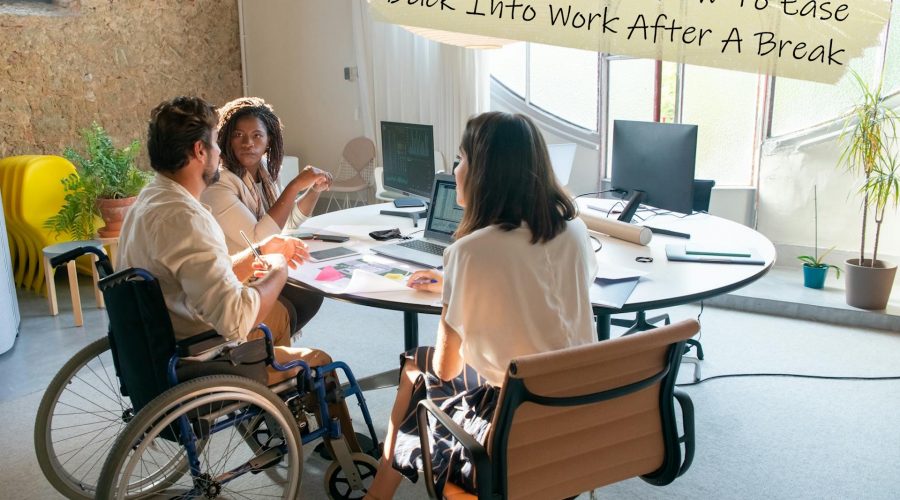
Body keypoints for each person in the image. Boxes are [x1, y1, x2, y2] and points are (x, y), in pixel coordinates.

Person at [365, 112, 599, 499]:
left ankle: (378, 494)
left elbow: (447, 367)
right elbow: (552, 293)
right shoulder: (573, 230)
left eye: (461, 159)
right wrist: (471, 287)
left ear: (484, 173)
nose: (456, 169)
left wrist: (454, 292)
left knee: (417, 365)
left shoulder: (470, 252)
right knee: (431, 368)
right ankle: (379, 493)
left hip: (512, 421)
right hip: (578, 408)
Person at [200, 96, 332, 335]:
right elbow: (259, 237)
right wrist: (294, 187)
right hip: (236, 281)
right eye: (238, 135)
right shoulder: (220, 183)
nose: (248, 143)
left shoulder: (265, 175)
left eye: (257, 135)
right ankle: (264, 348)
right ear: (226, 138)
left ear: (269, 141)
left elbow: (286, 222)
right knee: (300, 294)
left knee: (311, 288)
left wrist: (313, 190)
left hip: (260, 270)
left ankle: (272, 348)